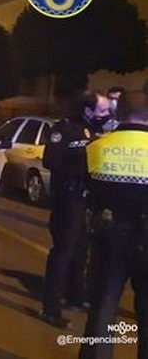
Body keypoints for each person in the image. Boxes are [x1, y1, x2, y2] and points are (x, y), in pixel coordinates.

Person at [80, 90, 148, 359]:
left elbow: (89, 192)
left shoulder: (96, 147)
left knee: (103, 309)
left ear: (119, 114)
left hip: (109, 233)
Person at [41, 90, 112, 328]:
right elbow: (50, 160)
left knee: (81, 251)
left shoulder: (98, 131)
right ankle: (50, 308)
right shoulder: (64, 129)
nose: (106, 114)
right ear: (87, 109)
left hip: (87, 201)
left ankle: (76, 296)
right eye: (101, 110)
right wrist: (79, 171)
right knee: (64, 250)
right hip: (68, 200)